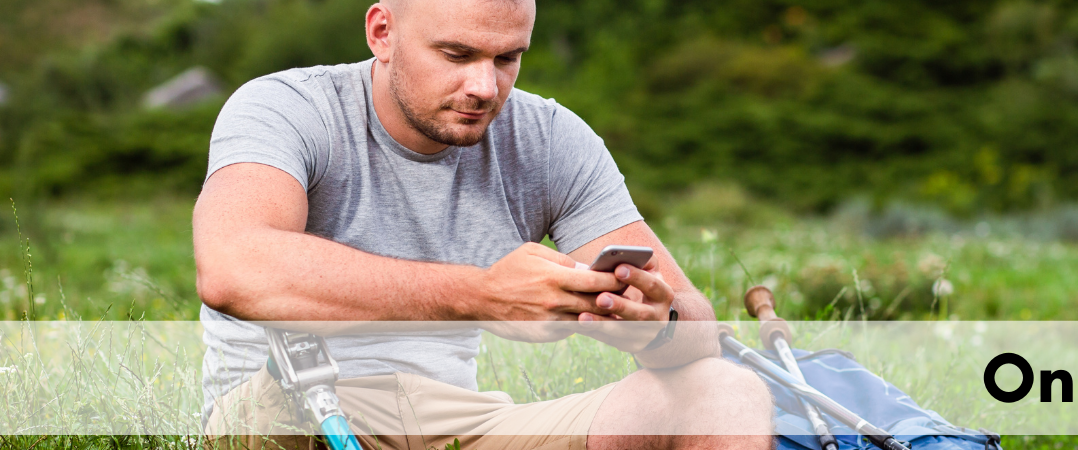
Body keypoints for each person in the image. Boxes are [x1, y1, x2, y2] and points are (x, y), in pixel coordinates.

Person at [192, 0, 773, 448]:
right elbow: (233, 267)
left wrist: (656, 325)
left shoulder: (549, 138)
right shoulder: (286, 107)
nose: (484, 87)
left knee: (724, 388)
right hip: (289, 406)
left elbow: (696, 323)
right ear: (382, 32)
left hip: (458, 422)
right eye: (456, 54)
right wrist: (481, 295)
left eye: (507, 58)